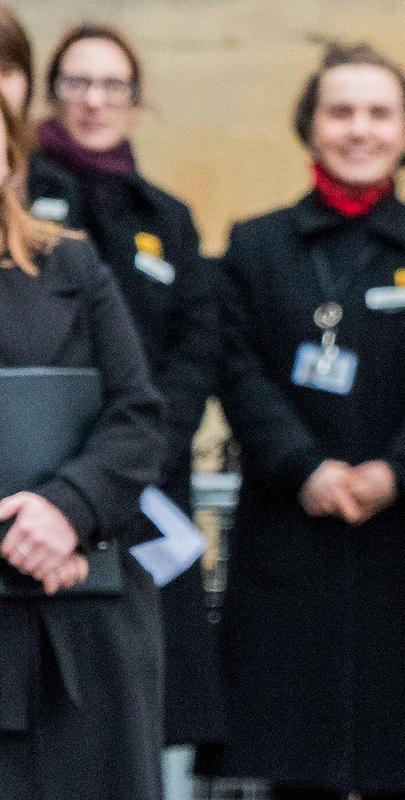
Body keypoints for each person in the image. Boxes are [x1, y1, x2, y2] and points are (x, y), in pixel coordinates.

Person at [214, 42, 405, 800]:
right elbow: (234, 368)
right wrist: (304, 466)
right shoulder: (255, 244)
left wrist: (398, 471)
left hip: (404, 535)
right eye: (340, 112)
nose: (359, 130)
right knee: (294, 765)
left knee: (402, 762)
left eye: (378, 113)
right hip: (289, 526)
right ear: (311, 125)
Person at [23, 22, 223, 756]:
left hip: (146, 493)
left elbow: (196, 349)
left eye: (113, 85)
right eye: (78, 82)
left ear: (136, 101)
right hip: (31, 491)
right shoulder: (24, 205)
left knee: (138, 703)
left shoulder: (165, 219)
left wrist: (137, 462)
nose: (95, 101)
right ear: (50, 93)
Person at [0, 90, 166, 800]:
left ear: (11, 158)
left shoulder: (70, 264)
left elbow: (136, 416)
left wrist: (65, 508)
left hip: (73, 626)